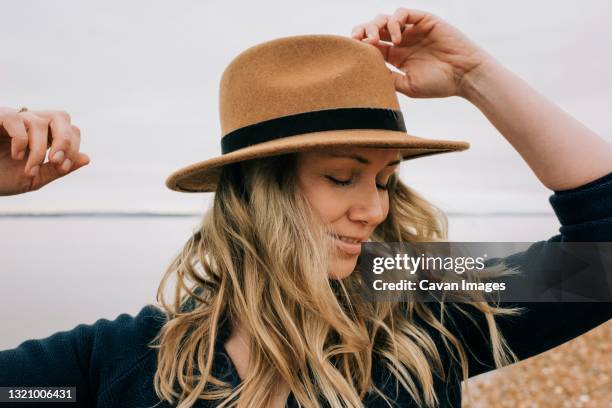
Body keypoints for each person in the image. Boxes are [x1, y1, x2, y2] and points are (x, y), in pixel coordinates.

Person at [1, 7, 610, 408]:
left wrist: (477, 76)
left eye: (385, 181)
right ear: (252, 192)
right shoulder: (125, 359)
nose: (372, 210)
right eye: (342, 177)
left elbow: (601, 261)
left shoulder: (418, 303)